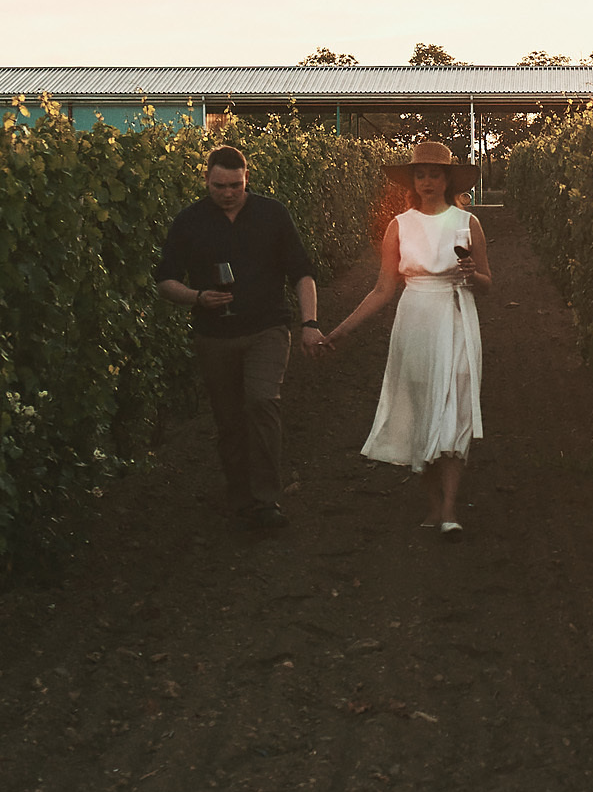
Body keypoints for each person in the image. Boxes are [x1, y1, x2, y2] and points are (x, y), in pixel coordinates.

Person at [153, 145, 325, 530]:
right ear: (206, 180)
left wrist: (309, 322)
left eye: (235, 185)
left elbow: (302, 272)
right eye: (219, 186)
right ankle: (240, 499)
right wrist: (197, 297)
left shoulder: (272, 214)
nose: (227, 193)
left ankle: (266, 501)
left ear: (247, 179)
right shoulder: (189, 221)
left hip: (267, 328)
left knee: (262, 402)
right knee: (229, 420)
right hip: (213, 335)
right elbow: (165, 280)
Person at [326, 140, 491, 539]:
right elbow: (383, 289)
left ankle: (450, 509)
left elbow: (487, 283)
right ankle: (434, 506)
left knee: (454, 409)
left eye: (435, 174)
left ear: (448, 179)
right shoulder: (398, 226)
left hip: (455, 316)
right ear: (413, 180)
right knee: (422, 407)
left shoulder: (467, 223)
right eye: (421, 174)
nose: (428, 181)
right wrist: (341, 331)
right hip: (415, 318)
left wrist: (471, 274)